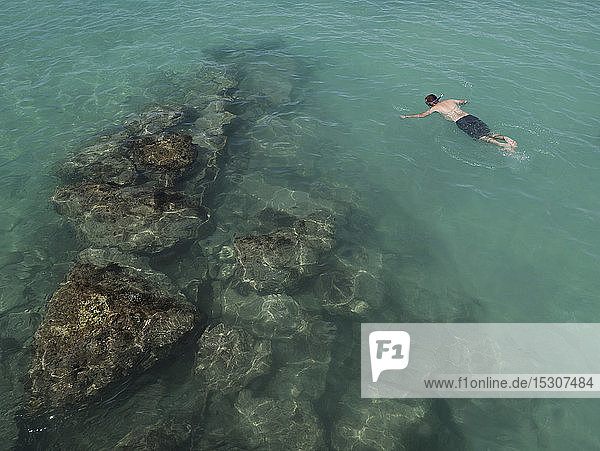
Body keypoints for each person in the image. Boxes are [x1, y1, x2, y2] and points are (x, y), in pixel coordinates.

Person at [400, 94, 517, 149]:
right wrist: (464, 102)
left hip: (461, 122)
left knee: (479, 137)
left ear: (430, 103)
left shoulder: (434, 108)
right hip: (469, 116)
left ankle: (502, 145)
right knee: (489, 132)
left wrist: (407, 116)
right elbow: (463, 101)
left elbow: (422, 115)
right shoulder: (450, 100)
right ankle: (504, 137)